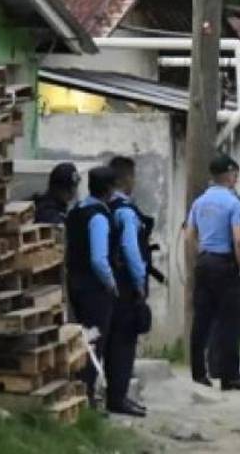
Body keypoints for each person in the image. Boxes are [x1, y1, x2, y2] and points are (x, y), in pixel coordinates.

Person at [65, 166, 145, 416]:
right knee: (94, 343)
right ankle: (87, 398)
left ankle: (85, 395)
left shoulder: (76, 210)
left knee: (86, 341)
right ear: (110, 189)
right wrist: (112, 285)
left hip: (75, 283)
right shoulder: (99, 216)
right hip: (94, 288)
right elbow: (99, 259)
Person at [187, 155, 240, 391]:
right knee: (229, 322)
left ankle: (199, 373)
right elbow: (239, 239)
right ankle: (229, 376)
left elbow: (189, 236)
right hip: (225, 264)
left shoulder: (199, 202)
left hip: (204, 262)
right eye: (235, 175)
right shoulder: (233, 203)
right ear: (229, 175)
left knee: (202, 321)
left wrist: (199, 257)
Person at [104, 157, 149, 417]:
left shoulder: (100, 207)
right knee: (123, 343)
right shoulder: (125, 211)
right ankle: (118, 397)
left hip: (105, 285)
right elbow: (132, 250)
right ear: (125, 179)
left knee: (107, 342)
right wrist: (140, 282)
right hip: (125, 285)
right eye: (133, 177)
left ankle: (108, 394)